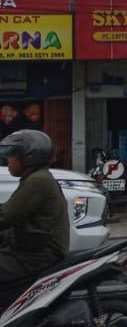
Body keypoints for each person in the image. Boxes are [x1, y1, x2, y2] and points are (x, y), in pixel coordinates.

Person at [0, 130, 70, 303]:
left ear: (28, 157)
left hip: (38, 255)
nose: (8, 160)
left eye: (12, 155)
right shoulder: (36, 178)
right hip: (32, 248)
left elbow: (5, 217)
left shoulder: (38, 181)